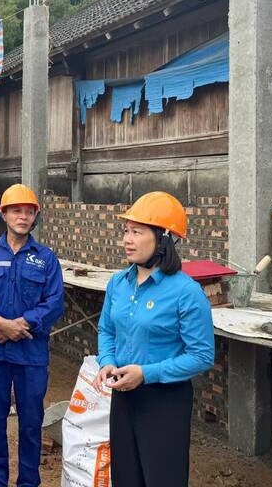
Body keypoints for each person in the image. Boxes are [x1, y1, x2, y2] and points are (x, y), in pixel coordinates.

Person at [91, 191, 214, 487]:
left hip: (164, 401)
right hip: (123, 396)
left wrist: (147, 374)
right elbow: (107, 329)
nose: (127, 239)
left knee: (162, 478)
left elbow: (201, 356)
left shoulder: (186, 292)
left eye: (137, 231)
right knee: (126, 477)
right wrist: (107, 361)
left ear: (163, 239)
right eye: (126, 231)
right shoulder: (118, 283)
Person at [0, 183, 65, 487]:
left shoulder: (46, 258)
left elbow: (54, 303)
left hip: (30, 354)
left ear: (35, 216)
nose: (22, 217)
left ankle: (28, 482)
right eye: (16, 211)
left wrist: (16, 326)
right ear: (4, 214)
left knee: (31, 424)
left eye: (28, 211)